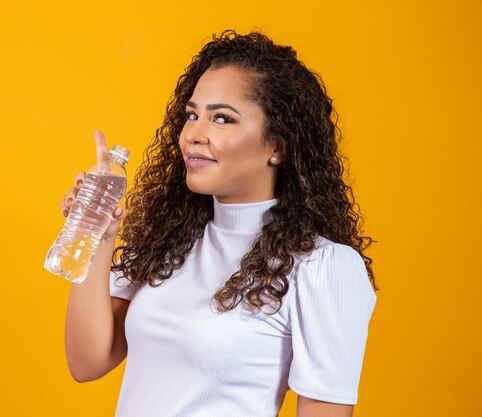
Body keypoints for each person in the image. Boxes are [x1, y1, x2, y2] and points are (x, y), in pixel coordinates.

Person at [61, 30, 378, 417]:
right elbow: (87, 362)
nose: (194, 134)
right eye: (192, 115)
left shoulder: (320, 267)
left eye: (222, 119)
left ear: (276, 146)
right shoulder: (168, 244)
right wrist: (97, 233)